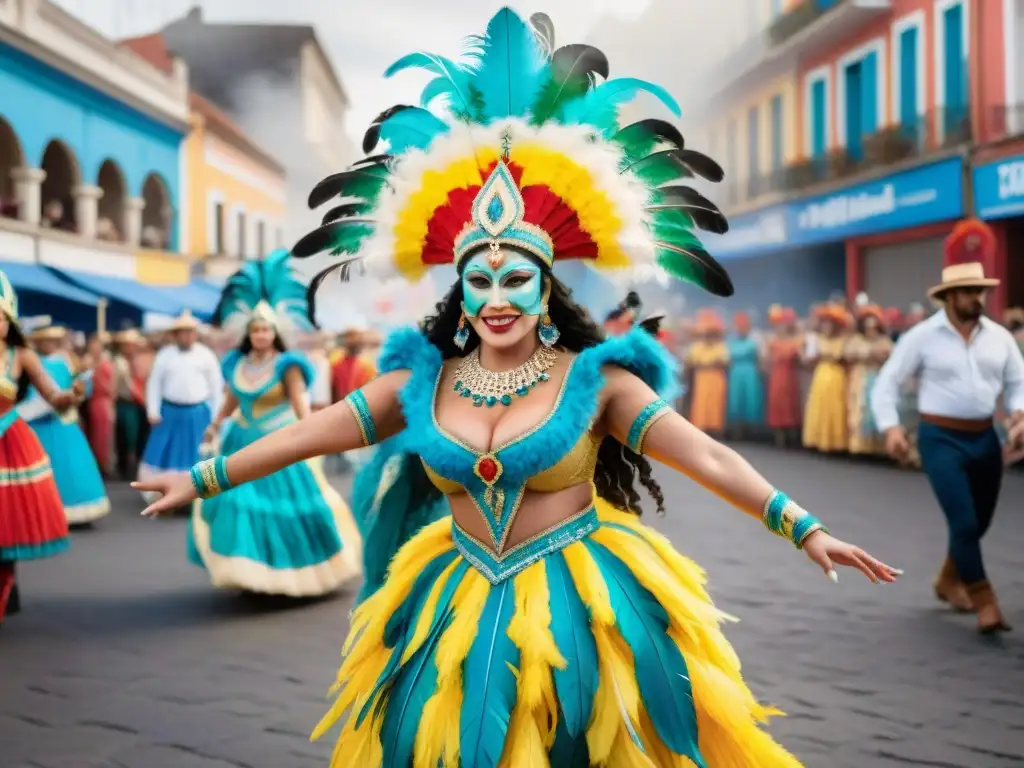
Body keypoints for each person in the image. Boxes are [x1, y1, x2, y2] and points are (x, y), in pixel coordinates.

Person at [135, 10, 899, 765]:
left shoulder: (597, 382)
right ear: (460, 295)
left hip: (584, 599)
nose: (497, 295)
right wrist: (199, 479)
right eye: (479, 279)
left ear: (545, 292)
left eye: (515, 278)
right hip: (456, 595)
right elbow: (308, 433)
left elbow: (708, 458)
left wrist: (805, 528)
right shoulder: (421, 381)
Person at [873, 220, 1023, 634]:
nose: (978, 298)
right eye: (969, 293)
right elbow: (887, 381)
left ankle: (946, 579)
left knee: (978, 523)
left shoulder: (1000, 338)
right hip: (940, 439)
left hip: (985, 437)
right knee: (964, 523)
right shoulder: (922, 337)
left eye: (980, 292)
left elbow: (1017, 382)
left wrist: (1019, 413)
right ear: (949, 297)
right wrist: (891, 428)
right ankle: (986, 602)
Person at [187, 250, 362, 596]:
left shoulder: (288, 365)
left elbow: (301, 407)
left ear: (275, 332)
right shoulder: (237, 364)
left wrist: (312, 439)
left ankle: (286, 575)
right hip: (240, 441)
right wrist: (217, 423)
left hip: (279, 446)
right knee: (240, 507)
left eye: (266, 330)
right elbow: (233, 397)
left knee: (285, 511)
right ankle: (251, 574)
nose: (261, 335)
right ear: (249, 333)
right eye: (255, 330)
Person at [0, 273, 82, 625]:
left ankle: (6, 585)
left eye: (1, 316)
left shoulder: (21, 356)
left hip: (10, 442)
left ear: (11, 320)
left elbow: (54, 396)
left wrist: (71, 396)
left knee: (6, 520)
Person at [19, 325, 110, 525]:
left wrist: (81, 386)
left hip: (61, 423)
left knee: (70, 466)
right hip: (37, 426)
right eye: (46, 340)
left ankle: (71, 508)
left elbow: (78, 391)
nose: (51, 344)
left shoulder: (65, 362)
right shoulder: (32, 362)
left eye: (54, 340)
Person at [138, 311, 223, 503]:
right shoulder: (165, 355)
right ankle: (162, 492)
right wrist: (153, 410)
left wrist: (216, 416)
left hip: (198, 414)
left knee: (200, 454)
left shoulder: (206, 355)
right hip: (169, 413)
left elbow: (216, 386)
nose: (187, 336)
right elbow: (154, 383)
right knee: (163, 452)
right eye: (183, 332)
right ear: (175, 335)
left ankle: (200, 494)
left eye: (190, 332)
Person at [802, 303, 851, 453]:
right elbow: (809, 359)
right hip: (821, 374)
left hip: (837, 376)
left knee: (836, 407)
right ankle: (818, 440)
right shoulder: (817, 339)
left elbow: (847, 358)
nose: (826, 326)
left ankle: (836, 443)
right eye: (824, 323)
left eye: (830, 324)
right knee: (819, 406)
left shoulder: (843, 340)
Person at [845, 303, 892, 456]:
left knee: (875, 409)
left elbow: (887, 355)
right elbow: (848, 354)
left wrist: (869, 354)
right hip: (860, 379)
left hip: (877, 377)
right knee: (859, 410)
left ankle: (878, 447)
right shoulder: (857, 340)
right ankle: (861, 447)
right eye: (867, 323)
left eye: (873, 323)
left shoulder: (884, 341)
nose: (870, 327)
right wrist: (869, 354)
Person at [113, 329, 150, 481]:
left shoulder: (140, 361)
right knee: (124, 436)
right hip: (125, 403)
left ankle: (136, 467)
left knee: (139, 435)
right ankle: (125, 467)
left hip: (140, 403)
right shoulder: (118, 362)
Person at [686, 308, 729, 436]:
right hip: (702, 379)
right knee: (701, 403)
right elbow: (691, 362)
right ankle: (701, 429)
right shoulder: (696, 346)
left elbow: (724, 362)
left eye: (712, 333)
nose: (709, 335)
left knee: (715, 403)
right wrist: (708, 364)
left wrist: (706, 364)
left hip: (716, 379)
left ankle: (715, 430)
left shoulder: (721, 346)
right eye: (707, 332)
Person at [765, 306, 803, 448]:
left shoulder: (796, 341)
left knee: (790, 403)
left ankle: (792, 435)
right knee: (776, 403)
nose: (783, 327)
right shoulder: (772, 341)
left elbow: (802, 359)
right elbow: (767, 360)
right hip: (776, 375)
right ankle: (779, 436)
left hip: (790, 376)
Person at [726, 311, 764, 439]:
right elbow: (727, 359)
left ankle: (752, 432)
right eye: (738, 326)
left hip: (750, 372)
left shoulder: (754, 341)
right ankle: (737, 431)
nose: (741, 329)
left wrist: (760, 372)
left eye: (743, 327)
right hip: (736, 372)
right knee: (735, 399)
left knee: (750, 399)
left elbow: (759, 359)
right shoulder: (731, 341)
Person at [83, 331, 115, 476]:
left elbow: (111, 387)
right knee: (95, 434)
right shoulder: (89, 362)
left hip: (102, 402)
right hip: (92, 401)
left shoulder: (104, 363)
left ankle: (104, 464)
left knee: (103, 434)